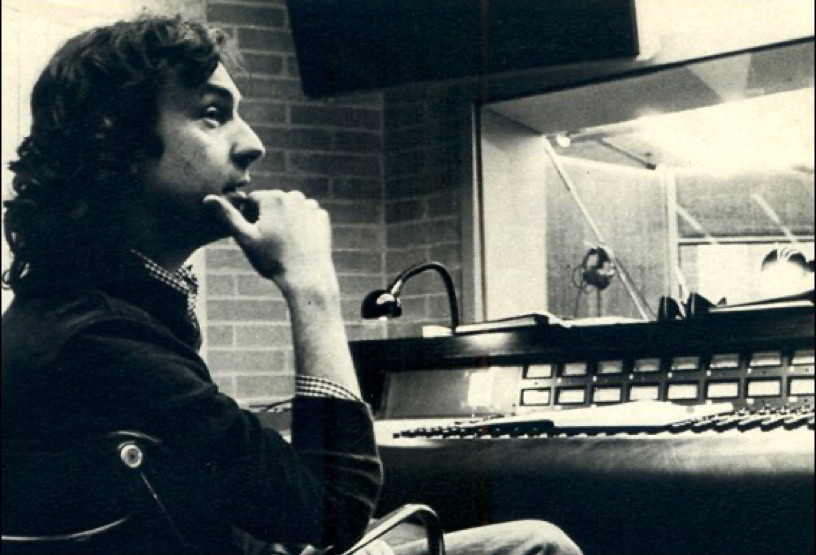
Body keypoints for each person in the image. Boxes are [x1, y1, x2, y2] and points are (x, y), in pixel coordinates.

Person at [1, 15, 581, 555]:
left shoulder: (73, 315)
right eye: (212, 113)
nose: (252, 142)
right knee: (538, 545)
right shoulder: (101, 343)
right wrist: (310, 283)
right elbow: (331, 513)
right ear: (116, 142)